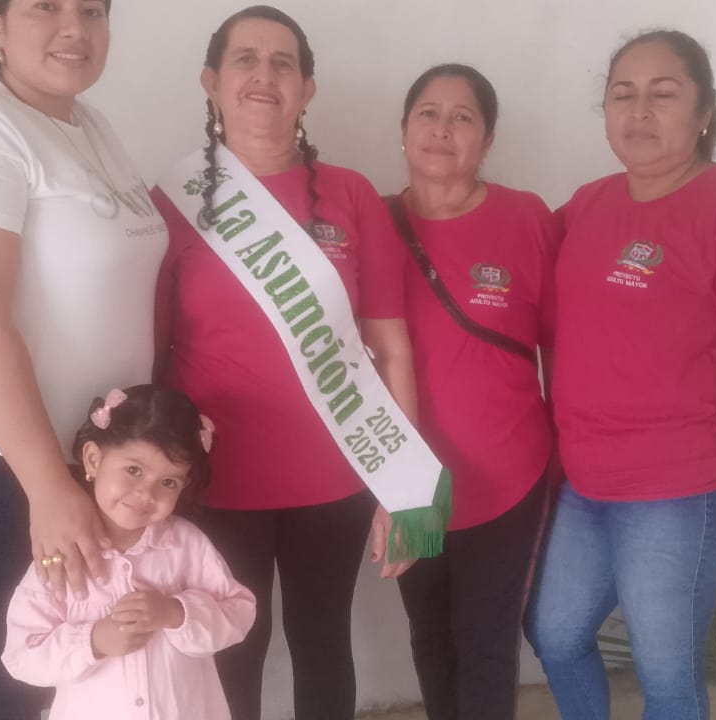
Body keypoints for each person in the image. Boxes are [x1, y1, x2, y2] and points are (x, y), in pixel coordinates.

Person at [149, 6, 446, 719]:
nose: (265, 75)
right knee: (231, 649)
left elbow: (391, 346)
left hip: (334, 473)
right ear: (211, 81)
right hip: (213, 480)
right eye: (246, 59)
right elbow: (152, 357)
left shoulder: (352, 196)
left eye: (283, 63)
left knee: (322, 642)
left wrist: (403, 485)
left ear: (306, 89)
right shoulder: (169, 203)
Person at [523, 30, 716, 720]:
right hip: (587, 478)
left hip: (681, 487)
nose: (640, 110)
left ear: (704, 112)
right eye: (622, 94)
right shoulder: (588, 205)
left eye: (664, 93)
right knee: (555, 634)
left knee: (666, 674)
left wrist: (682, 401)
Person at [0, 1, 168, 717]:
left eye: (91, 10)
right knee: (9, 685)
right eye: (45, 6)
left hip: (85, 462)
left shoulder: (89, 126)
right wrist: (48, 489)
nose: (74, 27)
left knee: (80, 677)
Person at [387, 64, 557, 720]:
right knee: (429, 633)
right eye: (428, 113)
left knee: (485, 642)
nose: (442, 129)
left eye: (463, 117)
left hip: (507, 474)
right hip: (409, 476)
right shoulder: (373, 223)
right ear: (404, 129)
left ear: (486, 139)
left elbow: (559, 344)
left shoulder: (526, 218)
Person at [2, 385, 256, 720]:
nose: (146, 493)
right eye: (134, 470)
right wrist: (93, 641)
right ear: (94, 459)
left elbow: (239, 613)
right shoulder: (62, 554)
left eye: (168, 482)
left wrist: (177, 613)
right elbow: (21, 656)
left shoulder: (186, 546)